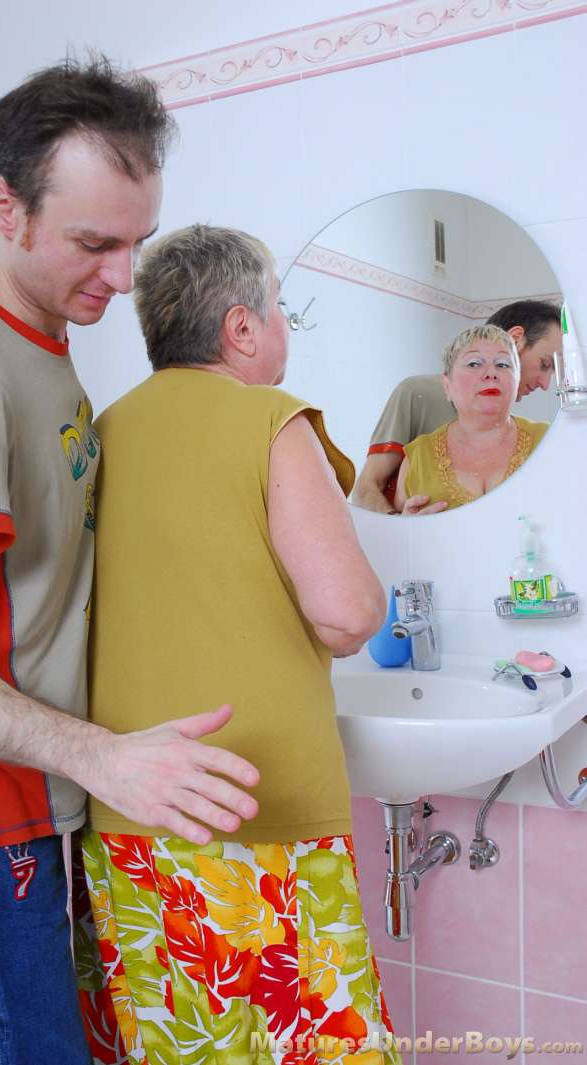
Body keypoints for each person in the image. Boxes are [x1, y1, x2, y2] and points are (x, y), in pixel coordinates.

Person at [0, 59, 260, 1065]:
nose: (123, 278)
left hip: (32, 790)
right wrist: (101, 756)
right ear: (4, 207)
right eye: (95, 244)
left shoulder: (39, 343)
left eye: (136, 242)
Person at [75, 225, 401, 1064]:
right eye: (280, 308)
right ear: (241, 328)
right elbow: (345, 613)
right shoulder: (270, 420)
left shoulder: (103, 431)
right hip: (258, 816)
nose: (283, 324)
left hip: (129, 810)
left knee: (180, 1045)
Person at [352, 300, 561, 513]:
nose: (546, 384)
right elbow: (367, 486)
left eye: (502, 365)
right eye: (545, 364)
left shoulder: (544, 436)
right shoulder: (417, 395)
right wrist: (403, 524)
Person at [393, 324, 548, 514]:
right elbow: (397, 527)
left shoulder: (551, 440)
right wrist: (408, 527)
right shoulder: (417, 459)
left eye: (502, 364)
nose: (491, 373)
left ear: (517, 381)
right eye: (474, 364)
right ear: (447, 385)